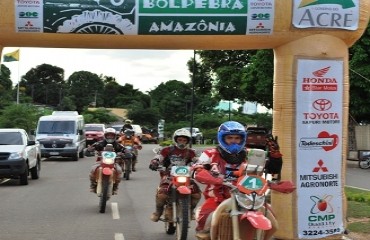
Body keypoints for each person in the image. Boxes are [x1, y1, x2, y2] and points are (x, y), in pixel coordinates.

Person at [192, 121, 278, 240]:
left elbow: (272, 169)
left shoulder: (252, 153)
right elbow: (197, 169)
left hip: (250, 197)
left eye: (237, 138)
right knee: (206, 221)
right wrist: (209, 176)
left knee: (273, 223)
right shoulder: (210, 153)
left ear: (243, 139)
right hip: (218, 197)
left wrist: (275, 155)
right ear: (222, 138)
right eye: (230, 138)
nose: (234, 141)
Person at [148, 128, 202, 222]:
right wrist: (154, 162)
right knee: (162, 195)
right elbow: (158, 157)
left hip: (186, 176)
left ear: (188, 141)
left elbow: (198, 161)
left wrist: (201, 166)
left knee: (196, 194)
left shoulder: (191, 152)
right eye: (180, 139)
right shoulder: (167, 150)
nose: (182, 142)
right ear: (175, 139)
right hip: (168, 175)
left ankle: (190, 211)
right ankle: (158, 212)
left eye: (185, 140)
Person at [88, 127, 124, 195]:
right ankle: (93, 185)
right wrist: (89, 149)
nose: (110, 137)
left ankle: (115, 187)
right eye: (108, 135)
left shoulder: (118, 145)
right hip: (100, 162)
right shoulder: (99, 143)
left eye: (112, 135)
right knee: (93, 169)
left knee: (119, 170)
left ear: (115, 136)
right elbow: (91, 148)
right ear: (105, 135)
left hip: (114, 162)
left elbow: (124, 149)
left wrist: (126, 152)